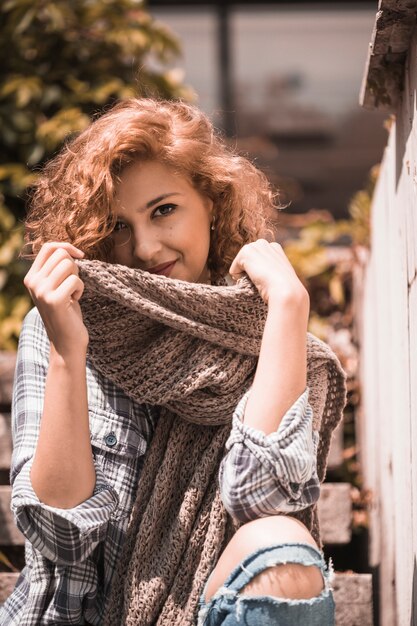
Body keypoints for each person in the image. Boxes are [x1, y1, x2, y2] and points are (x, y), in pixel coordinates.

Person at [0, 98, 345, 626]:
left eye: (164, 210)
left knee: (280, 546)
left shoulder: (263, 335)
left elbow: (265, 501)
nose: (143, 246)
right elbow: (60, 540)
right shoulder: (61, 324)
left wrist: (289, 308)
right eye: (117, 226)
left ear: (211, 201)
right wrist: (70, 353)